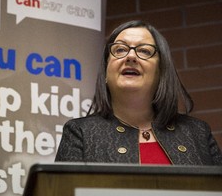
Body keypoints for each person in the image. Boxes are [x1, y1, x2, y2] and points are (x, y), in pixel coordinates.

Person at [55, 20, 222, 165]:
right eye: (120, 50)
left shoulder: (197, 132)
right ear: (106, 71)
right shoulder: (80, 133)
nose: (131, 56)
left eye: (144, 51)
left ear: (161, 71)